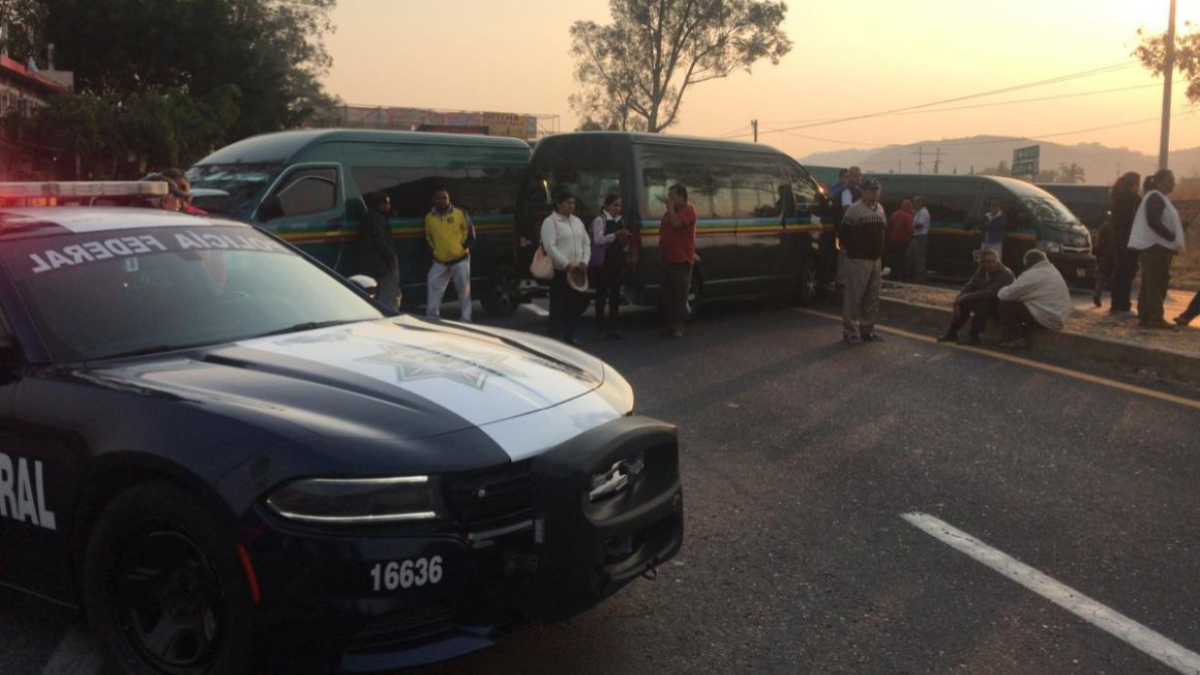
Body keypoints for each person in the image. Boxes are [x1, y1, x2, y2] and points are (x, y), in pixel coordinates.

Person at [1128, 169, 1185, 330]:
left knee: (1149, 282)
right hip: (1156, 247)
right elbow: (1153, 221)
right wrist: (1170, 236)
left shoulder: (1158, 198)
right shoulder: (1155, 198)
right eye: (1170, 180)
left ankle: (1145, 316)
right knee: (1157, 282)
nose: (1173, 183)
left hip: (1156, 246)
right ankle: (1155, 317)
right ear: (1159, 182)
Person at [838, 177, 887, 343]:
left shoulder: (880, 209)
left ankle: (867, 330)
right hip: (858, 259)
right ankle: (850, 331)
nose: (875, 192)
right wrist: (851, 251)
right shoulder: (854, 209)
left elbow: (882, 232)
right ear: (863, 191)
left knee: (872, 297)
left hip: (875, 260)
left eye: (877, 189)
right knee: (854, 296)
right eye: (871, 190)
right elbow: (844, 233)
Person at [541, 191, 590, 344]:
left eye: (573, 203)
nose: (571, 206)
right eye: (568, 202)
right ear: (559, 204)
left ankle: (570, 337)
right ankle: (554, 340)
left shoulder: (577, 222)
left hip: (576, 272)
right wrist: (565, 264)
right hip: (561, 272)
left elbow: (586, 242)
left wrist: (584, 261)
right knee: (558, 307)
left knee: (573, 306)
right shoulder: (551, 222)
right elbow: (550, 246)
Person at [996, 249, 1072, 349]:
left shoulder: (1032, 275)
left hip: (1046, 319)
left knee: (1006, 305)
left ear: (1028, 263)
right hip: (1058, 318)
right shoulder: (1052, 271)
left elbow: (1005, 295)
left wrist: (1001, 289)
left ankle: (1015, 338)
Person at [937, 248, 1014, 345]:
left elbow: (990, 292)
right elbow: (970, 285)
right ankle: (953, 330)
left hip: (1001, 307)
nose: (991, 264)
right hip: (986, 302)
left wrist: (965, 297)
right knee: (965, 301)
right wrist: (958, 299)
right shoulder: (982, 270)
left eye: (993, 261)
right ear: (982, 263)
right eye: (987, 262)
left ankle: (974, 334)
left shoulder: (1004, 273)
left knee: (983, 300)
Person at [424, 187, 475, 322]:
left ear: (449, 199)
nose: (442, 200)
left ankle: (466, 317)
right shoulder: (429, 218)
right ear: (434, 200)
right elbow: (428, 236)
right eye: (439, 198)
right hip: (440, 260)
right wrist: (434, 250)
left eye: (444, 198)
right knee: (434, 287)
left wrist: (462, 247)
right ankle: (432, 316)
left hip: (460, 259)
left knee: (463, 291)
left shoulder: (460, 213)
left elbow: (470, 233)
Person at [659, 184, 698, 339]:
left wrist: (670, 208)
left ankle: (678, 326)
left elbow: (676, 224)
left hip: (681, 259)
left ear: (682, 197)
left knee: (679, 295)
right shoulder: (670, 212)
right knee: (667, 294)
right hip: (667, 258)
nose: (669, 199)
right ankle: (669, 324)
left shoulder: (689, 210)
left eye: (672, 195)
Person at [590, 192, 630, 339]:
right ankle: (600, 328)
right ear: (607, 206)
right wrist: (615, 235)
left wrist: (625, 240)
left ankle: (613, 327)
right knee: (601, 296)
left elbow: (623, 243)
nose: (617, 209)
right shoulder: (600, 220)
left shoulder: (620, 220)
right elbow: (598, 240)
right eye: (614, 205)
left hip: (617, 262)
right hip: (604, 263)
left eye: (619, 205)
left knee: (615, 296)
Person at [355, 192, 400, 313]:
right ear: (380, 204)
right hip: (381, 263)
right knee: (388, 291)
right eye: (386, 203)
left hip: (370, 262)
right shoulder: (377, 219)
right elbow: (379, 241)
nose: (388, 205)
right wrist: (390, 257)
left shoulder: (369, 217)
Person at [1107, 172, 1143, 314]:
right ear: (1134, 185)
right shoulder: (1134, 199)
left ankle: (1117, 304)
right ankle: (1124, 304)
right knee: (1127, 272)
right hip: (1129, 238)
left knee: (1120, 271)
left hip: (1118, 238)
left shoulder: (1118, 198)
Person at [885, 198, 914, 280]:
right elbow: (910, 229)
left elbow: (889, 225)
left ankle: (893, 274)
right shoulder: (908, 216)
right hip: (903, 241)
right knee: (902, 258)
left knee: (894, 258)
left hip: (893, 240)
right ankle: (900, 276)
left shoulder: (895, 214)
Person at [908, 196, 931, 280]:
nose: (914, 205)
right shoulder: (918, 212)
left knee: (919, 256)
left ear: (920, 203)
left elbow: (920, 225)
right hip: (916, 236)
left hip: (921, 236)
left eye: (916, 203)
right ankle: (913, 272)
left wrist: (910, 227)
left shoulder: (924, 212)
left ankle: (919, 274)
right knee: (913, 255)